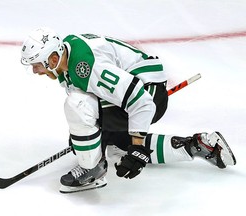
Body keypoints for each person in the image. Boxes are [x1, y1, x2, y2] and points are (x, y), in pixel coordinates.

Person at [20, 27, 236, 193]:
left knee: (78, 106)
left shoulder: (85, 67)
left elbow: (141, 102)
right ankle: (196, 145)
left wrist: (139, 148)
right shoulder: (67, 57)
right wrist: (87, 136)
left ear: (53, 59)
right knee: (115, 141)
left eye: (37, 64)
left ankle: (93, 169)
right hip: (139, 87)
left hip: (147, 93)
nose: (35, 70)